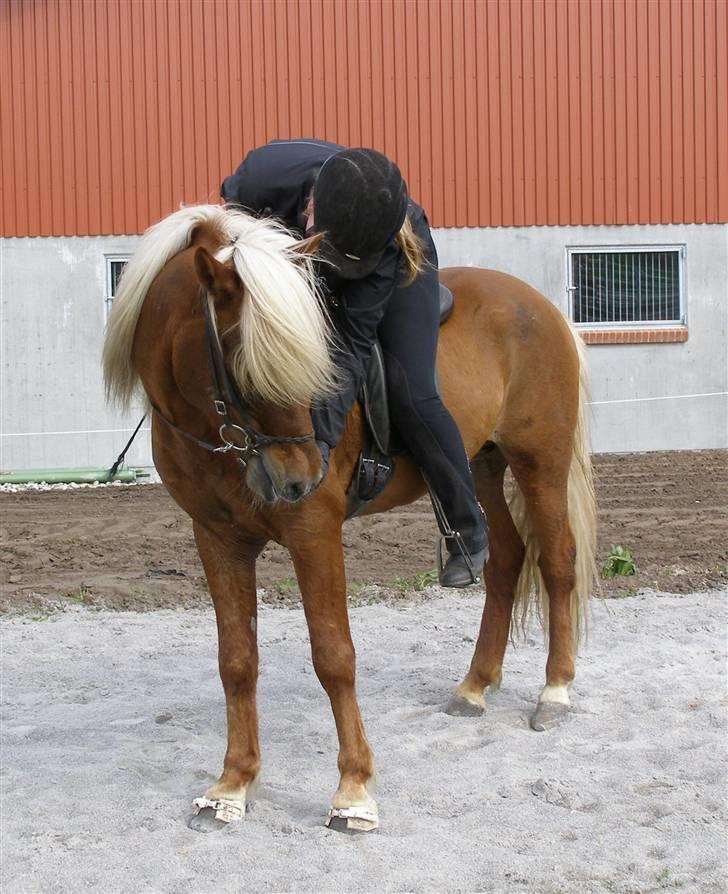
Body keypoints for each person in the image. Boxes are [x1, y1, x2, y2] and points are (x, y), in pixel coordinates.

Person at [221, 139, 488, 587]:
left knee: (412, 391)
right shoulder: (255, 185)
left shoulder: (384, 243)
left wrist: (318, 445)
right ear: (310, 205)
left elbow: (350, 347)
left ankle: (467, 529)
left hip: (395, 258)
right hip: (296, 251)